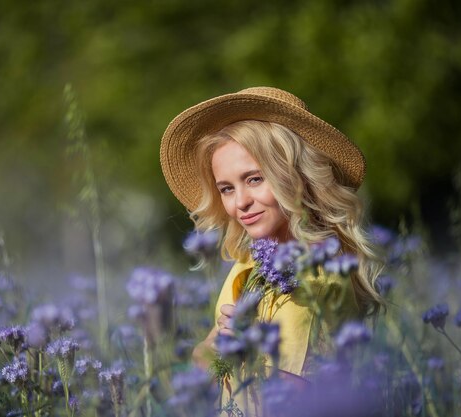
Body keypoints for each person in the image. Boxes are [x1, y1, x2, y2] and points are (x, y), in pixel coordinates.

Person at [160, 87, 384, 414]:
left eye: (254, 179)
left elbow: (287, 401)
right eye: (226, 188)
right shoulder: (249, 263)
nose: (240, 203)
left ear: (294, 177)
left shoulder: (313, 277)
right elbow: (204, 370)